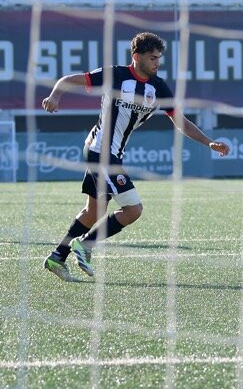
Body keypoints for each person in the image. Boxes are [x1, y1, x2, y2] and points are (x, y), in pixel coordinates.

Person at [42, 32, 229, 281]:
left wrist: (208, 142)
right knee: (133, 210)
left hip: (111, 154)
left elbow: (180, 121)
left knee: (93, 212)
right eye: (152, 58)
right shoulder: (115, 75)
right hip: (101, 151)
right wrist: (55, 95)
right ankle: (85, 245)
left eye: (159, 58)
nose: (157, 63)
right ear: (136, 56)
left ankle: (57, 256)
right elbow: (69, 79)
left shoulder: (158, 87)